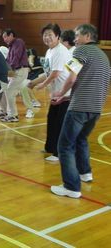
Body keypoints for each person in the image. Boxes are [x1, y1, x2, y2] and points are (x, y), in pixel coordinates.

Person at [50, 24, 111, 198]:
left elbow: (72, 77)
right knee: (81, 140)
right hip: (96, 109)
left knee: (65, 145)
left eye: (77, 35)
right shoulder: (103, 56)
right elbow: (93, 84)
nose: (74, 39)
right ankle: (85, 173)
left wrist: (60, 93)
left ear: (87, 36)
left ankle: (71, 187)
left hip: (79, 108)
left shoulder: (80, 51)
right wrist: (65, 98)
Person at [29, 23, 72, 162]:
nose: (47, 37)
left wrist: (43, 85)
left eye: (50, 35)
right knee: (52, 120)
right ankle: (50, 147)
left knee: (60, 123)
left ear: (58, 36)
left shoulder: (60, 50)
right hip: (56, 94)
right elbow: (47, 72)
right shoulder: (49, 51)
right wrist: (35, 82)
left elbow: (55, 73)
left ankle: (59, 153)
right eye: (45, 35)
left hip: (65, 94)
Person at [2, 28, 34, 122]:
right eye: (3, 37)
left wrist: (8, 70)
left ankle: (13, 115)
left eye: (5, 36)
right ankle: (28, 109)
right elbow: (7, 60)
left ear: (11, 35)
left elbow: (16, 57)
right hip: (15, 72)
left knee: (9, 91)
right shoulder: (11, 46)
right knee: (20, 89)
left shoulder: (18, 42)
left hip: (20, 71)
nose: (4, 39)